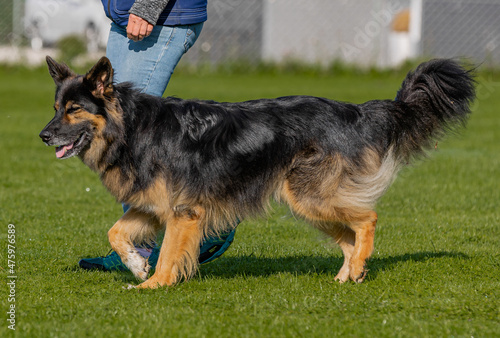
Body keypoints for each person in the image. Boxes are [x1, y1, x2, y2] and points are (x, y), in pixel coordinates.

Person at [79, 0, 238, 272]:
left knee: (132, 135)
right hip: (124, 15)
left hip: (156, 16)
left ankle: (209, 221)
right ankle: (136, 246)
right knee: (134, 141)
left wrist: (146, 7)